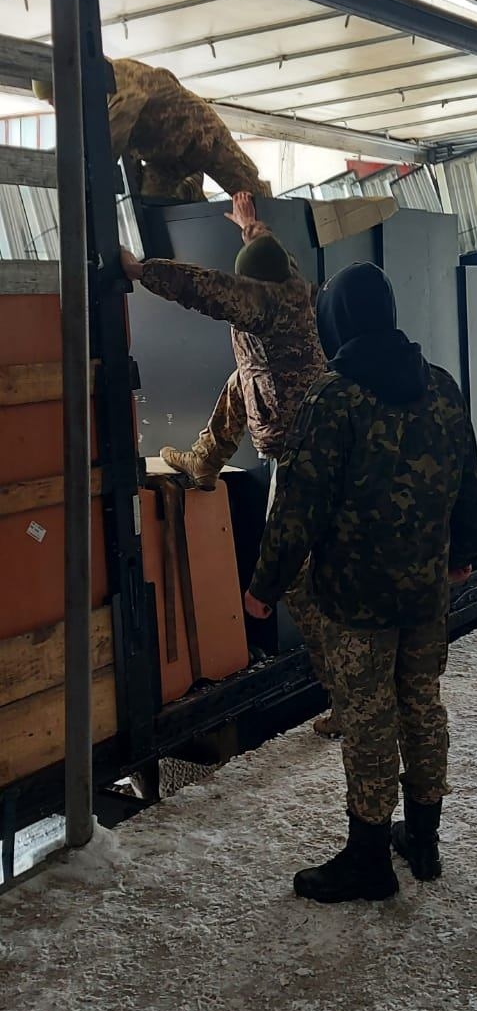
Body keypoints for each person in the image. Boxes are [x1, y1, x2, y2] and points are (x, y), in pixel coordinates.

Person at [245, 262, 477, 904]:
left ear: (337, 321)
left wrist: (264, 586)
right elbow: (468, 479)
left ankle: (368, 858)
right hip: (427, 591)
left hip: (356, 599)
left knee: (369, 717)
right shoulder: (439, 385)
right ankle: (425, 840)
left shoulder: (334, 397)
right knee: (422, 705)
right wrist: (466, 550)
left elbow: (298, 506)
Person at [119, 193, 340, 737]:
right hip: (316, 432)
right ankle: (205, 459)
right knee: (242, 379)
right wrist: (249, 226)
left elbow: (207, 288)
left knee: (295, 576)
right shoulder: (290, 279)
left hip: (294, 453)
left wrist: (142, 271)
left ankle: (345, 694)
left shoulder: (264, 303)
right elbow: (269, 252)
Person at [34, 56, 269, 202]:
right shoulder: (92, 98)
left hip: (200, 133)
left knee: (252, 195)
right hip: (163, 158)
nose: (55, 107)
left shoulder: (117, 79)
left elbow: (108, 141)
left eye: (56, 99)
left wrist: (87, 169)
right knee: (152, 207)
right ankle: (191, 189)